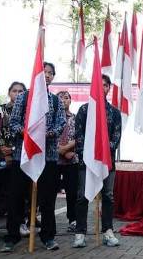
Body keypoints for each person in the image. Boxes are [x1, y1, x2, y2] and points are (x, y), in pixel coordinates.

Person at [2, 62, 66, 252]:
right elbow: (13, 122)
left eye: (50, 73)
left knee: (47, 199)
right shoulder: (24, 97)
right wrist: (27, 134)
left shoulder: (54, 100)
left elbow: (61, 123)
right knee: (16, 197)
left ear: (53, 77)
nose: (46, 75)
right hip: (23, 155)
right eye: (43, 72)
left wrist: (46, 135)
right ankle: (12, 236)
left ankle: (48, 236)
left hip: (48, 157)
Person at [72, 74, 122, 248]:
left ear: (109, 88)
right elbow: (78, 136)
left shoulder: (114, 112)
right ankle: (80, 233)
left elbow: (116, 137)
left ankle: (108, 231)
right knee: (82, 196)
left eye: (106, 85)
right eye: (98, 85)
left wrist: (103, 152)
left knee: (108, 196)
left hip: (107, 162)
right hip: (86, 162)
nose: (102, 88)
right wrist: (89, 154)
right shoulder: (84, 111)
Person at [0, 82, 25, 238]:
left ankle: (20, 222)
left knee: (17, 193)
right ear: (9, 93)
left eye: (21, 91)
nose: (17, 93)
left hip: (19, 156)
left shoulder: (27, 110)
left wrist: (14, 150)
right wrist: (3, 149)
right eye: (14, 91)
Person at [56, 90, 79, 233]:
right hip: (54, 159)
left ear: (70, 101)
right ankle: (47, 221)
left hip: (72, 159)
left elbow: (80, 136)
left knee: (72, 192)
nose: (64, 100)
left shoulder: (76, 118)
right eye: (60, 98)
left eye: (66, 98)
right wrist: (60, 150)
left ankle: (73, 219)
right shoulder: (51, 117)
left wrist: (67, 149)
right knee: (50, 191)